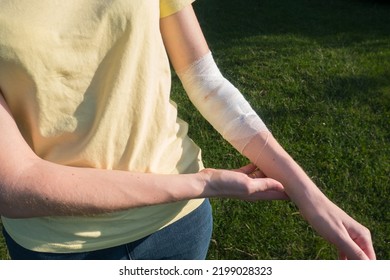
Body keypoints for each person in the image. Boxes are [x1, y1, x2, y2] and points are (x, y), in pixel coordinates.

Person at [0, 0, 375, 260]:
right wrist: (203, 183)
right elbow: (15, 183)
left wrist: (308, 193)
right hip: (61, 248)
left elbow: (206, 81)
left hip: (178, 227)